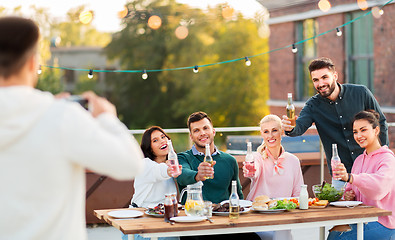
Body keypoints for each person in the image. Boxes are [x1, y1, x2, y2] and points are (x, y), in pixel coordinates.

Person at [0, 17, 144, 240]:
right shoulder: (61, 117)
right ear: (32, 63)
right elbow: (131, 163)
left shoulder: (57, 115)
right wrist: (107, 118)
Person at [282, 57, 388, 174]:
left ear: (335, 76)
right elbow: (299, 127)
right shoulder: (313, 105)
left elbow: (381, 122)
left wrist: (382, 154)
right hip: (341, 173)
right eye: (316, 80)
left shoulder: (361, 93)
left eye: (324, 77)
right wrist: (290, 127)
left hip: (370, 168)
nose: (320, 84)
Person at [177, 111, 260, 240]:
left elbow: (237, 194)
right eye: (196, 130)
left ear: (213, 131)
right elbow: (182, 174)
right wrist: (198, 175)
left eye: (205, 128)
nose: (202, 133)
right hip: (195, 224)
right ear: (191, 136)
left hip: (224, 222)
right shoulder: (183, 158)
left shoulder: (229, 160)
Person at [327, 110, 395, 240]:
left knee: (339, 238)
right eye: (355, 132)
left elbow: (379, 188)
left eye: (363, 130)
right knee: (334, 233)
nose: (358, 135)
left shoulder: (387, 159)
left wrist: (351, 177)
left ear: (376, 131)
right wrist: (348, 196)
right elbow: (351, 190)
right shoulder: (359, 160)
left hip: (384, 222)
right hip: (362, 218)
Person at [244, 114, 304, 240]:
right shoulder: (256, 158)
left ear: (282, 132)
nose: (270, 136)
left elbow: (298, 194)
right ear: (262, 134)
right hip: (257, 216)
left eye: (274, 130)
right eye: (266, 131)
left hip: (283, 217)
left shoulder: (293, 160)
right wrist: (250, 171)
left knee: (282, 233)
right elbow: (253, 172)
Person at [125, 126, 181, 240]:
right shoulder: (145, 164)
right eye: (155, 140)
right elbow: (158, 171)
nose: (162, 141)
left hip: (163, 219)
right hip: (140, 221)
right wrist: (168, 170)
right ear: (149, 148)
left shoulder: (172, 163)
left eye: (163, 137)